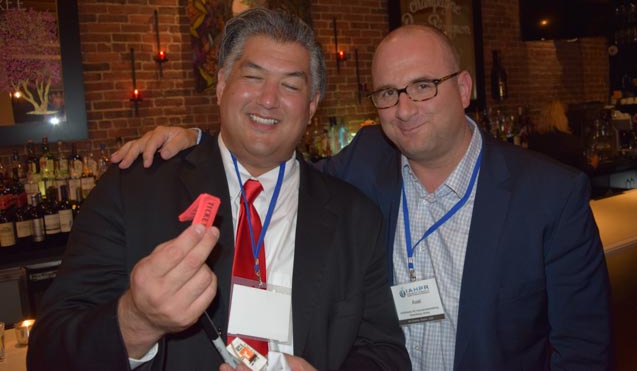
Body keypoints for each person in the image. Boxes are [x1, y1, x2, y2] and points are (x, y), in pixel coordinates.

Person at [113, 24, 611, 370]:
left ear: (463, 88)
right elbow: (276, 166)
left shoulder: (551, 196)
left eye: (423, 86)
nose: (405, 108)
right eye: (388, 93)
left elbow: (583, 352)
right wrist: (201, 140)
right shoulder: (367, 159)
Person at [27, 8, 410, 371]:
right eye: (253, 77)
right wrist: (136, 320)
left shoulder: (356, 218)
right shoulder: (133, 188)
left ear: (311, 107)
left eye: (291, 85)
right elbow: (49, 352)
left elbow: (384, 354)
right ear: (222, 84)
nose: (269, 99)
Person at [527, 100, 585, 168]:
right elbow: (582, 170)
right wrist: (593, 163)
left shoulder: (533, 139)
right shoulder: (571, 141)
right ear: (562, 118)